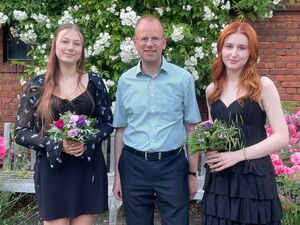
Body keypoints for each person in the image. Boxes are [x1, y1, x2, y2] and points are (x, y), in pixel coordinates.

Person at [14, 23, 114, 225]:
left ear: (82, 49)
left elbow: (107, 123)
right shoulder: (38, 84)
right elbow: (20, 132)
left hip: (87, 170)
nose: (70, 47)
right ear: (55, 46)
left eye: (76, 43)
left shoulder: (94, 82)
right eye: (65, 41)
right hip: (53, 171)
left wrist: (87, 141)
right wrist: (57, 144)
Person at [112, 15, 201, 225]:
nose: (149, 44)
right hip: (133, 166)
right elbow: (121, 131)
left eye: (155, 38)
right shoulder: (125, 81)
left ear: (164, 41)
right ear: (135, 42)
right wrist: (118, 175)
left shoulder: (183, 79)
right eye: (144, 39)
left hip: (172, 166)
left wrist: (192, 173)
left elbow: (192, 128)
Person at [202, 21, 289, 225]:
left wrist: (238, 156)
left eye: (242, 48)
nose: (234, 54)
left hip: (254, 179)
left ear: (251, 53)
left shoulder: (262, 86)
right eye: (229, 46)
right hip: (221, 181)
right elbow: (214, 131)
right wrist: (209, 148)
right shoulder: (211, 90)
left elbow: (282, 136)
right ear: (221, 49)